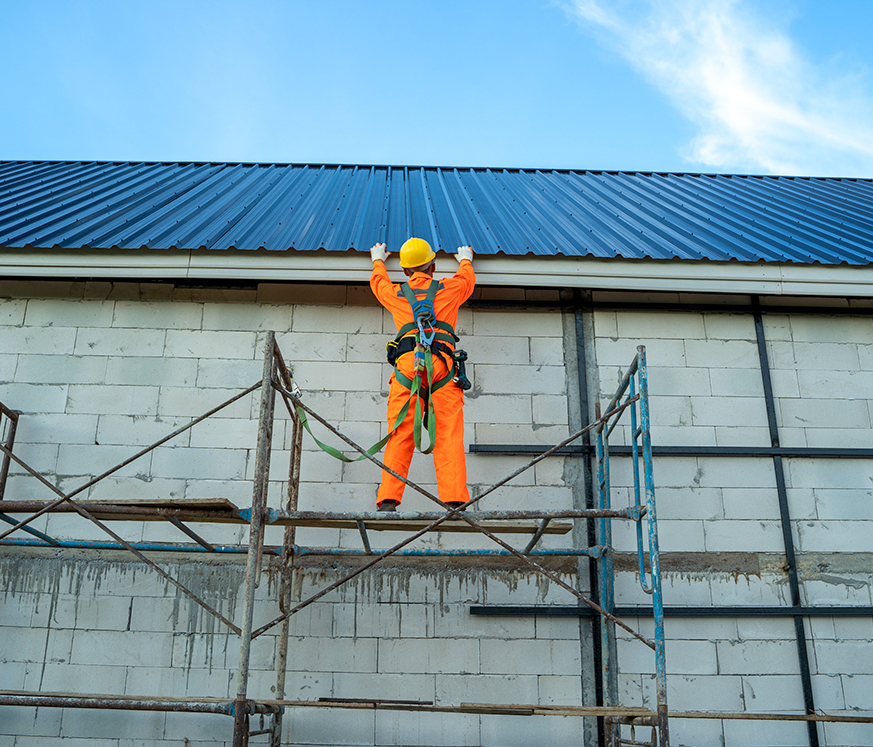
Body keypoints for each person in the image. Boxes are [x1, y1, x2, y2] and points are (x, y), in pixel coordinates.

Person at [369, 238, 475, 512]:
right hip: (443, 366)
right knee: (448, 432)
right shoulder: (449, 289)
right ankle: (454, 500)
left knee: (400, 431)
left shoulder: (396, 293)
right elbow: (466, 280)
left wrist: (378, 260)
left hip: (408, 366)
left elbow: (378, 284)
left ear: (405, 271)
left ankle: (389, 500)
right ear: (433, 266)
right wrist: (465, 259)